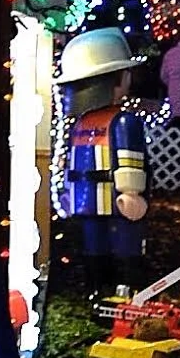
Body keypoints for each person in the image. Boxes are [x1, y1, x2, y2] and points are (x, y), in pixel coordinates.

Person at [57, 27, 151, 299]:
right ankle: (113, 288)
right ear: (118, 79)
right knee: (121, 244)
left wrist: (68, 192)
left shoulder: (81, 124)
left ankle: (104, 289)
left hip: (92, 199)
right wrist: (132, 192)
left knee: (99, 244)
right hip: (113, 201)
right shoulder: (123, 121)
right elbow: (131, 159)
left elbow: (71, 162)